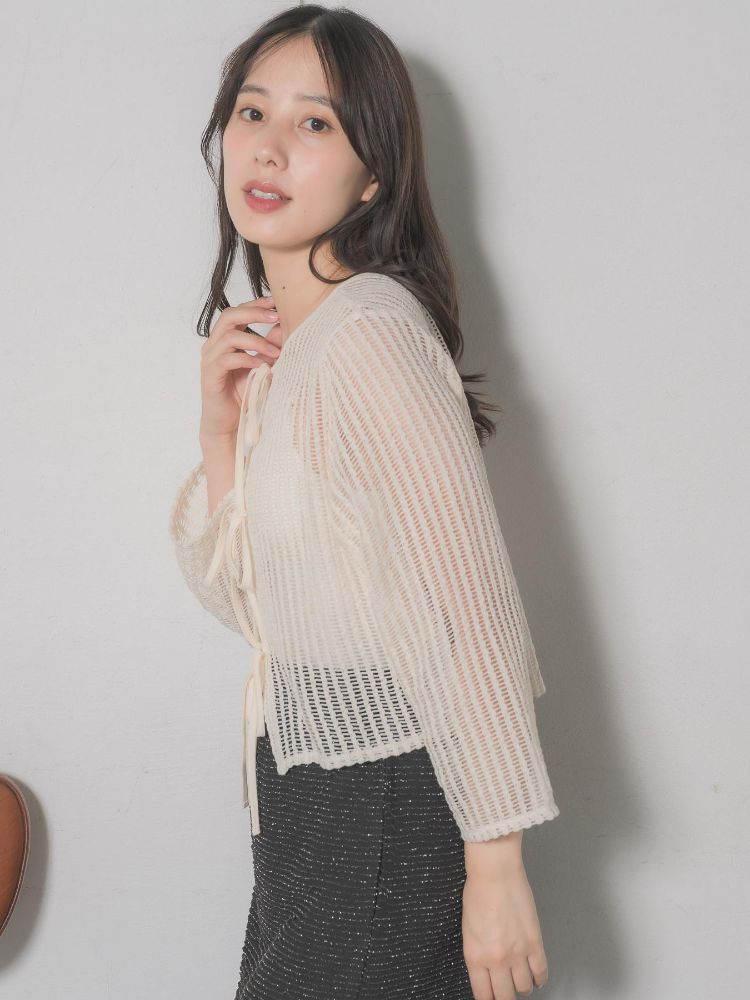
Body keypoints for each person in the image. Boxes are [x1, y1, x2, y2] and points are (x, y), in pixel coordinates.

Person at [168, 6, 561, 999]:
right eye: (252, 111)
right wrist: (219, 430)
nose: (268, 147)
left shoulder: (371, 335)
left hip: (387, 792)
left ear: (373, 174)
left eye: (315, 123)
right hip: (308, 786)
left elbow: (469, 605)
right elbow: (253, 608)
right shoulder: (289, 345)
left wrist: (496, 862)